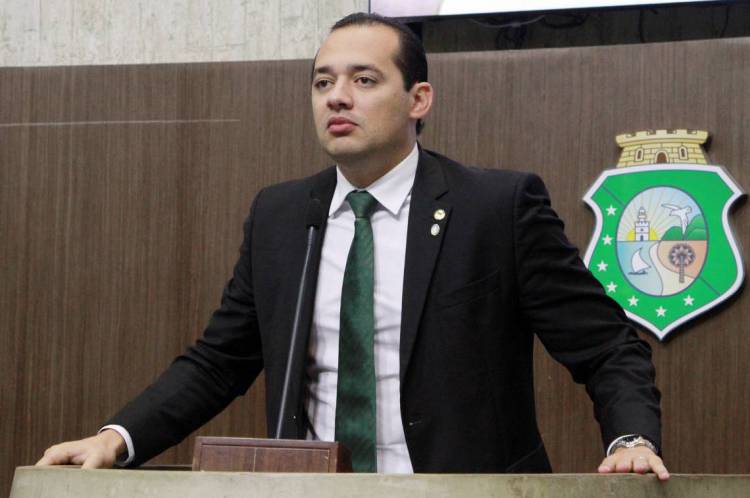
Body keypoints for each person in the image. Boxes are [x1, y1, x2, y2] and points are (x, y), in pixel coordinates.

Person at [37, 12, 669, 480]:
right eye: (322, 83)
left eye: (364, 79)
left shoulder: (495, 208)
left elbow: (606, 346)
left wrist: (631, 441)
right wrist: (116, 438)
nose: (337, 96)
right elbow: (219, 362)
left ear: (418, 98)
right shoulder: (282, 215)